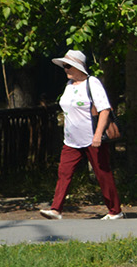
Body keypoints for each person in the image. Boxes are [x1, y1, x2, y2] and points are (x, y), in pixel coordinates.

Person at [41, 49, 122, 220]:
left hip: (92, 138)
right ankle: (56, 210)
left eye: (68, 65)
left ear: (78, 67)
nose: (65, 69)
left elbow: (104, 110)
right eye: (64, 66)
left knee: (103, 174)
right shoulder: (69, 86)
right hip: (71, 140)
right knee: (64, 173)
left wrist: (98, 135)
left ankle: (115, 211)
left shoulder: (92, 83)